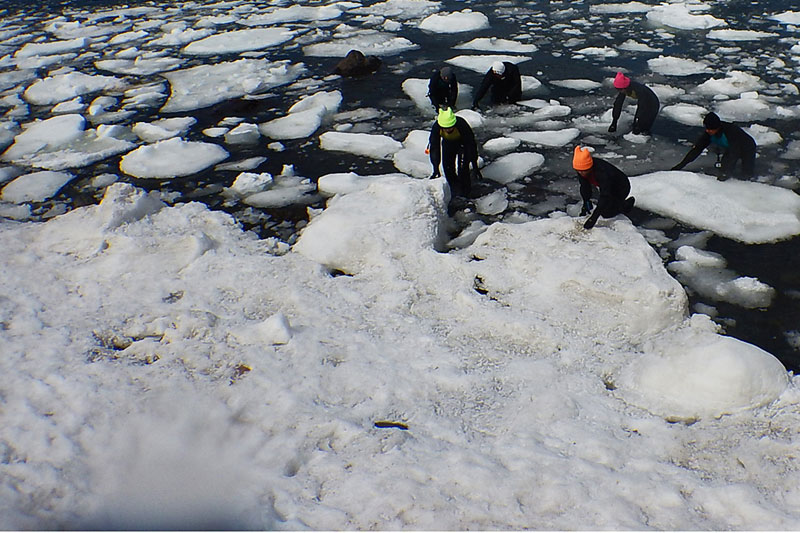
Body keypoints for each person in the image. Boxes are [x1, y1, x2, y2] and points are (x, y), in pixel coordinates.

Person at [671, 112, 756, 179]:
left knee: (746, 173)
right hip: (731, 148)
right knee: (724, 166)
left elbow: (733, 153)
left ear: (717, 127)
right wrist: (681, 165)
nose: (708, 131)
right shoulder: (708, 134)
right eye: (707, 128)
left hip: (748, 147)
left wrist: (725, 173)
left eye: (711, 129)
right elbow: (697, 150)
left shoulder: (731, 131)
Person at [573, 145, 635, 230]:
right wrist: (586, 202)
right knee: (600, 203)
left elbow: (605, 195)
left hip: (620, 187)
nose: (581, 173)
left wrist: (593, 218)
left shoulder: (603, 173)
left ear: (590, 167)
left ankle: (625, 204)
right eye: (579, 171)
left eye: (584, 171)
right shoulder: (581, 168)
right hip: (606, 185)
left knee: (606, 213)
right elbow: (585, 186)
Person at [429, 107, 481, 198]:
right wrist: (436, 168)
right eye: (446, 128)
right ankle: (454, 191)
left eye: (450, 127)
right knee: (448, 168)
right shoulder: (437, 127)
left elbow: (471, 145)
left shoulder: (461, 124)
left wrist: (474, 164)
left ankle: (466, 193)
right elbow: (434, 147)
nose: (448, 130)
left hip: (463, 144)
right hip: (448, 144)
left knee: (463, 169)